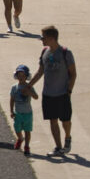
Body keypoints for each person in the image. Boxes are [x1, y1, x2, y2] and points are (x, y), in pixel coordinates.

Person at [27, 25, 76, 157]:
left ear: (52, 38)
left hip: (63, 94)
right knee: (52, 121)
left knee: (65, 121)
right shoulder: (44, 52)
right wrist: (29, 85)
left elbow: (73, 74)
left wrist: (69, 91)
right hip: (48, 94)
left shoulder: (66, 53)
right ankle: (58, 147)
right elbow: (40, 71)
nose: (42, 40)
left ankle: (67, 137)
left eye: (43, 37)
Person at [10, 65, 38, 155]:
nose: (21, 77)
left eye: (23, 76)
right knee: (17, 129)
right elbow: (12, 99)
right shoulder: (14, 88)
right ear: (16, 76)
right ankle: (20, 138)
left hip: (27, 113)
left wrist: (29, 92)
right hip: (17, 113)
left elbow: (36, 97)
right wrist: (11, 111)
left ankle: (27, 146)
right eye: (19, 75)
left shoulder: (29, 87)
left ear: (27, 76)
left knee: (27, 130)